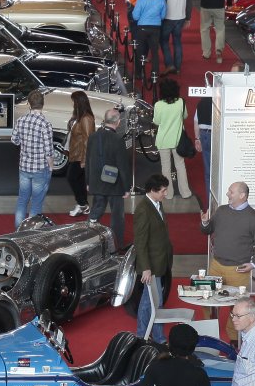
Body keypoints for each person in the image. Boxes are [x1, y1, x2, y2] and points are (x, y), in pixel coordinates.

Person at [200, 181, 255, 339]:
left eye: (231, 192)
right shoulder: (221, 210)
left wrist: (254, 264)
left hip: (238, 270)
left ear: (242, 195)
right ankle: (209, 332)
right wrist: (205, 222)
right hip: (216, 265)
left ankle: (233, 339)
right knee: (207, 299)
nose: (227, 194)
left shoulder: (253, 218)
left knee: (237, 306)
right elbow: (208, 230)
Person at [132, 173, 173, 341]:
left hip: (159, 262)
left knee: (153, 301)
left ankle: (152, 335)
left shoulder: (157, 203)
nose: (165, 194)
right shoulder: (143, 210)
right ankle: (144, 335)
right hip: (151, 265)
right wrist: (146, 268)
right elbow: (140, 242)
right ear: (152, 191)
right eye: (163, 191)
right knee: (151, 302)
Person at [85, 108, 129, 248]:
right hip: (114, 183)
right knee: (117, 216)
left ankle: (88, 241)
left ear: (105, 120)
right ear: (118, 122)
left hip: (96, 182)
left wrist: (88, 181)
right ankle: (116, 245)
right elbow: (123, 165)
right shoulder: (118, 139)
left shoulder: (93, 137)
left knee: (96, 212)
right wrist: (127, 188)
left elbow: (88, 160)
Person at [10, 90, 54, 228]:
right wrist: (51, 167)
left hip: (24, 167)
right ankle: (31, 233)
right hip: (40, 169)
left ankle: (18, 231)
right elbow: (49, 151)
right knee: (36, 203)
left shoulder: (20, 120)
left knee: (22, 200)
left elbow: (14, 140)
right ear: (43, 104)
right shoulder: (45, 124)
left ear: (29, 104)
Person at [152, 78, 192, 200]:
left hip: (163, 140)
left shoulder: (158, 105)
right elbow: (185, 116)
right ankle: (185, 192)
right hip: (178, 140)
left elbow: (156, 121)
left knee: (165, 167)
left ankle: (168, 194)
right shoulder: (181, 102)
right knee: (180, 165)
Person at [62, 90, 94, 217]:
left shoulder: (86, 118)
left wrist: (84, 160)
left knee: (72, 178)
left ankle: (82, 204)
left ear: (79, 102)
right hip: (75, 154)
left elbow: (87, 140)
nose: (72, 104)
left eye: (74, 102)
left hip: (80, 156)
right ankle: (84, 205)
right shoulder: (79, 117)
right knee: (79, 181)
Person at [130, 0, 166, 82]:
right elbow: (163, 16)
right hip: (155, 28)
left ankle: (138, 73)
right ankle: (154, 75)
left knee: (140, 51)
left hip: (142, 27)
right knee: (154, 52)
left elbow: (135, 16)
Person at [160, 0, 190, 75]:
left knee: (164, 41)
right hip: (181, 18)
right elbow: (189, 3)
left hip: (168, 18)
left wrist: (160, 17)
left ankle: (169, 64)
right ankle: (177, 67)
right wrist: (188, 18)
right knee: (177, 41)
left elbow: (163, 2)